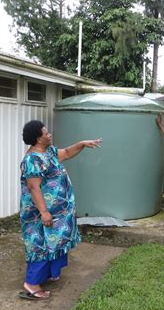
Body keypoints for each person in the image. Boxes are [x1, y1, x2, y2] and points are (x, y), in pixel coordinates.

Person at [18, 120, 102, 300]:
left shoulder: (48, 152)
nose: (50, 135)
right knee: (42, 244)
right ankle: (32, 283)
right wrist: (44, 212)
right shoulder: (32, 160)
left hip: (58, 212)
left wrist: (82, 144)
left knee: (55, 242)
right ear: (38, 139)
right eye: (46, 134)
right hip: (40, 213)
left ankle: (48, 274)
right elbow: (34, 188)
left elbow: (67, 152)